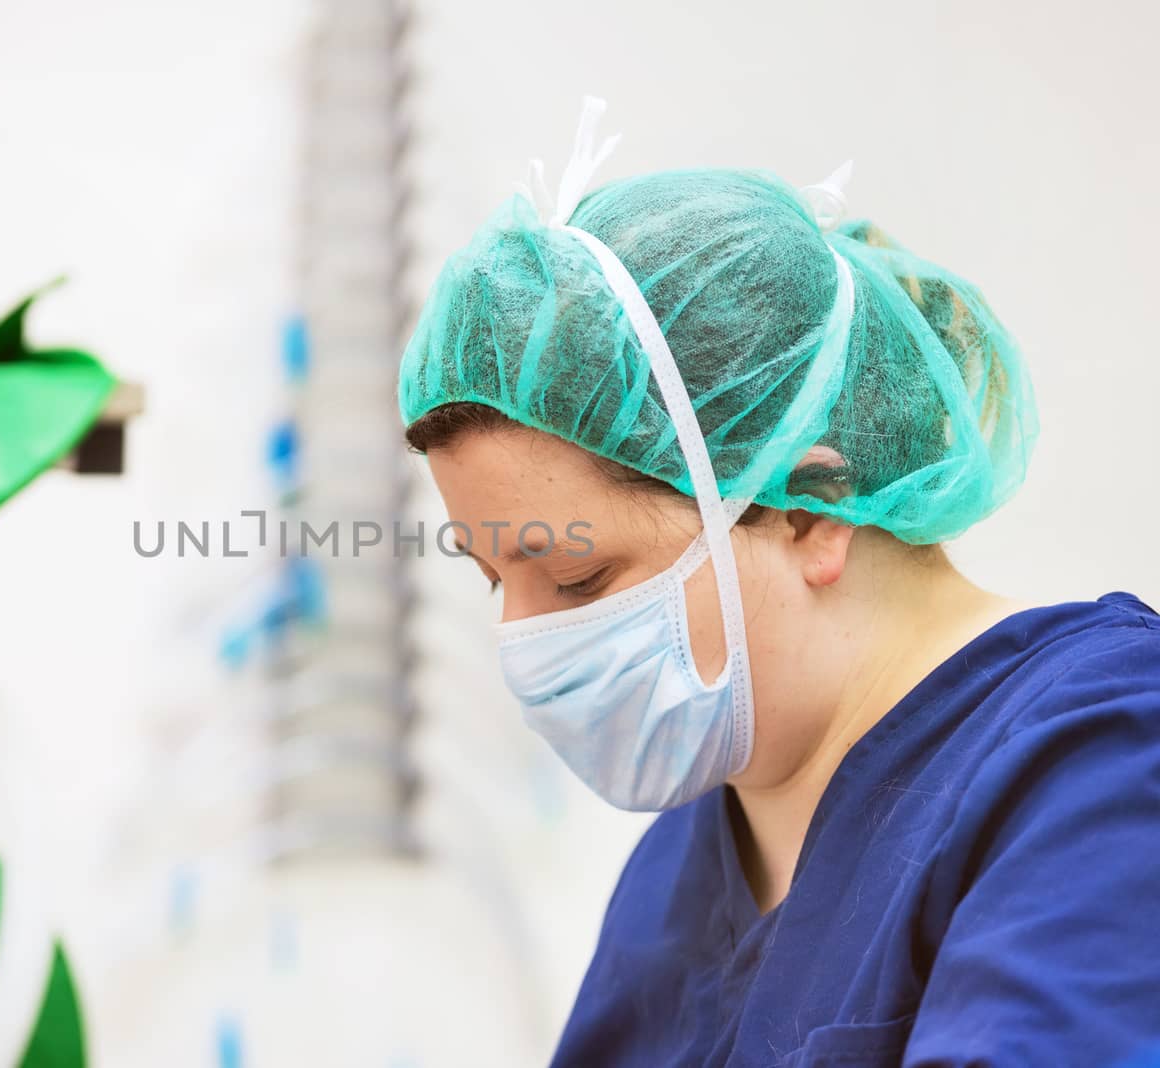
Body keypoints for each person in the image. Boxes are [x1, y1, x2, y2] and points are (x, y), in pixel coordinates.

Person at [398, 99, 1160, 1067]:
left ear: (809, 507)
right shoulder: (680, 870)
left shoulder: (1096, 762)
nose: (522, 643)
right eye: (489, 576)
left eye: (575, 576)